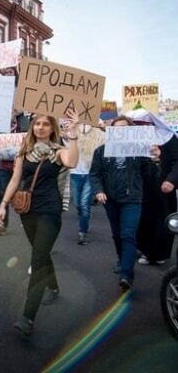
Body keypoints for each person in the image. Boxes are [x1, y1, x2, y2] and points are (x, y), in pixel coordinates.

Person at [0, 110, 79, 337]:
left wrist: (73, 135)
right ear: (32, 127)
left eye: (45, 124)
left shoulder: (59, 151)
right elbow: (15, 179)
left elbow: (71, 161)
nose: (41, 127)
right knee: (41, 253)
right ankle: (54, 286)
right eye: (37, 124)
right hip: (27, 210)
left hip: (50, 211)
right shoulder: (25, 151)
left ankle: (27, 317)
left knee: (38, 258)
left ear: (52, 129)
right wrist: (3, 205)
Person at [89, 115, 156, 290]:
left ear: (131, 130)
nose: (120, 132)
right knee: (117, 234)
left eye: (124, 129)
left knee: (128, 234)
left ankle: (126, 274)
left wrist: (152, 158)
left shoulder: (139, 149)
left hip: (133, 199)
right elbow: (94, 174)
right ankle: (122, 260)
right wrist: (99, 191)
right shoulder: (101, 151)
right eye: (116, 129)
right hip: (110, 199)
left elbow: (149, 175)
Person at [138, 132, 178, 265]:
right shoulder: (137, 135)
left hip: (164, 185)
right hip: (143, 186)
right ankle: (145, 250)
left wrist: (171, 179)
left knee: (163, 220)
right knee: (144, 219)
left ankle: (160, 253)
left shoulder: (168, 137)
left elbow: (176, 160)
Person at [68, 124, 105, 245]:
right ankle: (82, 214)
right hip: (75, 173)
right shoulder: (71, 132)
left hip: (90, 173)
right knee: (77, 202)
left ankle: (82, 232)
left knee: (84, 204)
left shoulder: (99, 135)